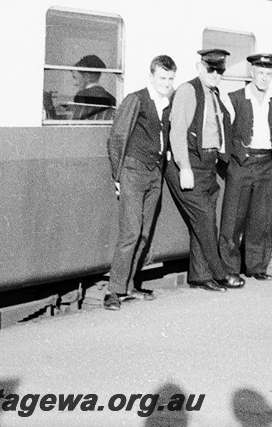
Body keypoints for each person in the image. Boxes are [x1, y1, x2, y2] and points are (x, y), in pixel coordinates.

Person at [165, 49, 243, 292]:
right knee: (206, 221)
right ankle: (221, 274)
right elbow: (177, 130)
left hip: (208, 164)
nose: (216, 74)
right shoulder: (189, 90)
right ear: (200, 67)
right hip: (190, 163)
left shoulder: (214, 93)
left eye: (220, 70)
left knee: (204, 221)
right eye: (211, 69)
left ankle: (200, 276)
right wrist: (184, 167)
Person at [103, 55, 176, 311]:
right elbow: (117, 137)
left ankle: (130, 286)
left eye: (170, 78)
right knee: (130, 233)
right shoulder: (137, 99)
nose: (166, 83)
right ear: (151, 77)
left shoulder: (168, 102)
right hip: (133, 172)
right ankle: (113, 291)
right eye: (162, 78)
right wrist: (117, 176)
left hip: (154, 173)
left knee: (144, 233)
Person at [219, 53, 272, 282]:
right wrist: (232, 159)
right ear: (251, 73)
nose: (265, 78)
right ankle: (229, 269)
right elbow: (224, 132)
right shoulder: (235, 98)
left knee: (261, 218)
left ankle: (256, 267)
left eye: (269, 73)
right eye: (261, 73)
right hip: (242, 163)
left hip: (266, 162)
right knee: (234, 217)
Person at [70, 54, 116, 120]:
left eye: (75, 78)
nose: (74, 83)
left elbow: (75, 125)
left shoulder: (82, 96)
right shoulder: (111, 98)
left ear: (87, 77)